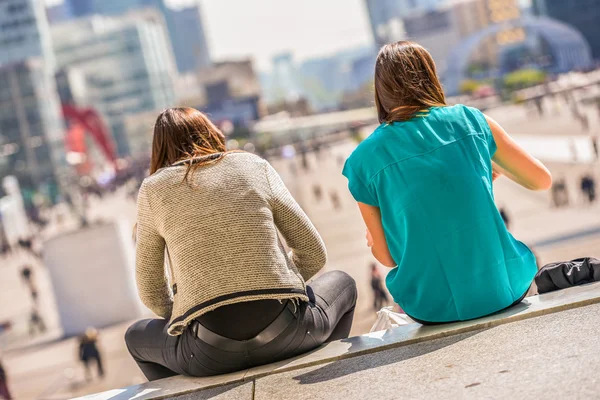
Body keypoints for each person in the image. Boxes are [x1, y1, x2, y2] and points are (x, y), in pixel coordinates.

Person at [342, 41, 580, 325]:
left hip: (430, 307)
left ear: (381, 91)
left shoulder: (363, 159)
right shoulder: (470, 120)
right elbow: (541, 180)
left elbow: (387, 258)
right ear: (430, 75)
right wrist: (493, 167)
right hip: (504, 289)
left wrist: (376, 238)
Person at [125, 108, 356, 381]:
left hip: (206, 353)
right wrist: (271, 284)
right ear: (211, 132)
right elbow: (313, 253)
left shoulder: (153, 190)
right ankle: (324, 376)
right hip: (291, 332)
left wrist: (188, 310)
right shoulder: (253, 166)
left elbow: (151, 291)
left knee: (135, 337)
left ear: (159, 151)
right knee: (343, 283)